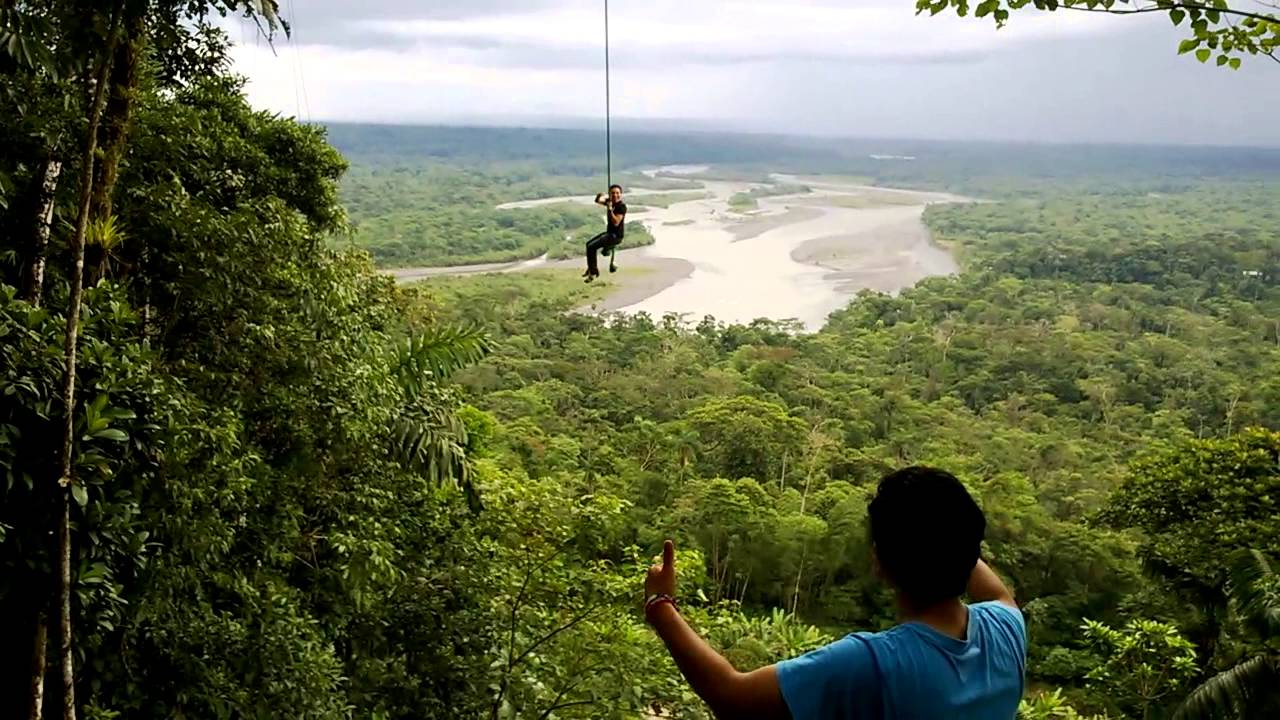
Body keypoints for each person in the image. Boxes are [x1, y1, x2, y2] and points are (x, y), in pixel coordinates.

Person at [642, 466, 1027, 719]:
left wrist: (661, 606)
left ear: (880, 562)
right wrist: (947, 531)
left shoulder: (871, 664)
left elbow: (733, 698)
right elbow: (992, 585)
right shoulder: (1007, 629)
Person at [584, 184, 626, 282]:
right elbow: (598, 201)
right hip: (609, 234)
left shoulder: (621, 207)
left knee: (591, 247)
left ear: (621, 194)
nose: (615, 195)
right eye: (612, 193)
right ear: (610, 195)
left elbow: (616, 222)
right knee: (589, 245)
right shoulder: (610, 202)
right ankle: (592, 268)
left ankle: (593, 272)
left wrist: (610, 209)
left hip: (615, 236)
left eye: (617, 193)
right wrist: (600, 195)